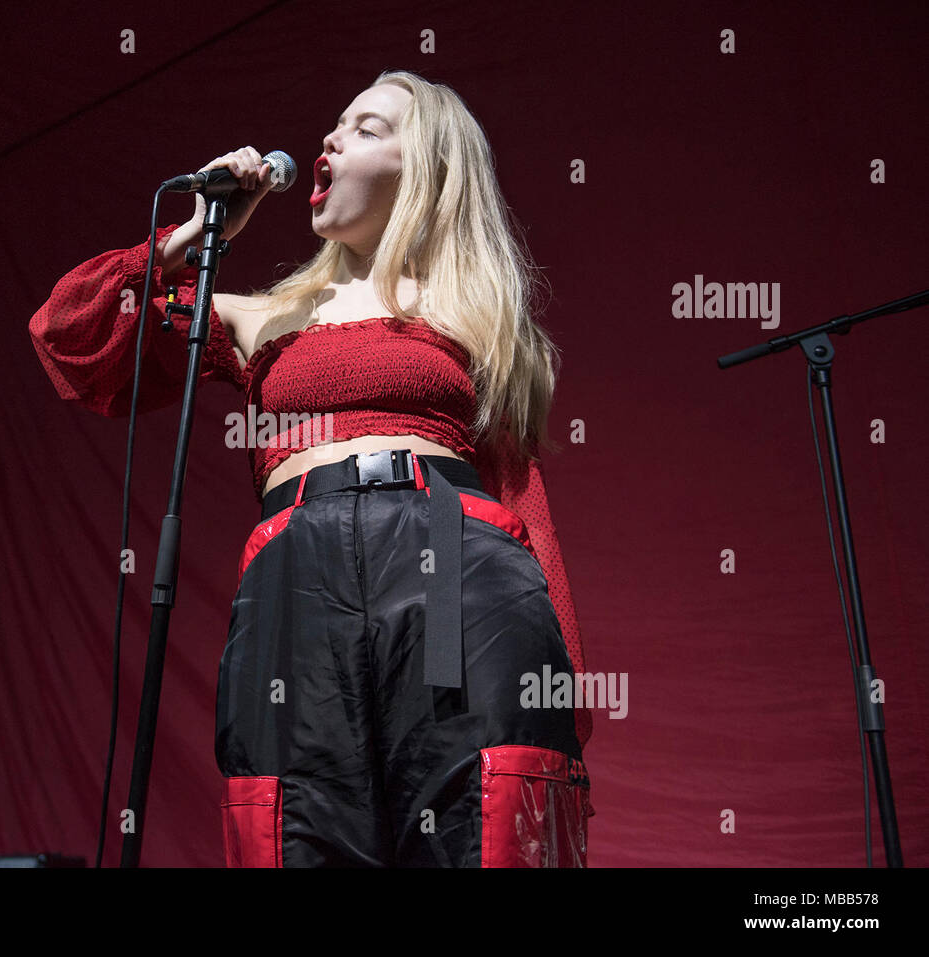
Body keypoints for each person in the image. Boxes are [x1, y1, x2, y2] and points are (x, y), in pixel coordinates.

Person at [29, 69, 594, 867]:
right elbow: (69, 332)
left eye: (366, 128)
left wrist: (564, 687)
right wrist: (195, 237)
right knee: (300, 823)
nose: (329, 139)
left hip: (448, 552)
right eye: (336, 123)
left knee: (473, 813)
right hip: (300, 563)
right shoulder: (261, 316)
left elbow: (516, 489)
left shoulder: (472, 314)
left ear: (425, 169)